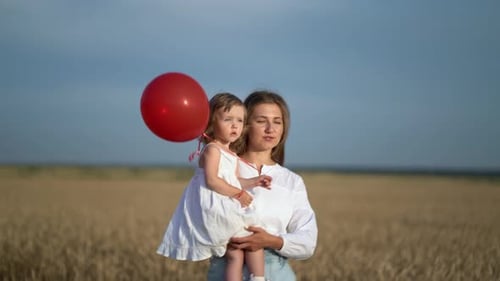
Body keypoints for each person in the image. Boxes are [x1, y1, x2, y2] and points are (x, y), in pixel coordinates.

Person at [156, 92, 272, 281]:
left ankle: (253, 278)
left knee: (237, 252)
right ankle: (258, 278)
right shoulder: (213, 150)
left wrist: (254, 181)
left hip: (226, 202)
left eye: (240, 120)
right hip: (216, 208)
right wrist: (239, 194)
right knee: (251, 241)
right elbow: (212, 180)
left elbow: (233, 180)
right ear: (211, 123)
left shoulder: (231, 153)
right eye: (228, 119)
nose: (235, 125)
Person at [207, 90, 318, 281]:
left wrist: (271, 240)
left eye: (277, 121)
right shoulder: (222, 168)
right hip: (225, 270)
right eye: (261, 121)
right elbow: (200, 214)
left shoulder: (292, 181)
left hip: (276, 272)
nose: (270, 129)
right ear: (244, 125)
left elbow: (308, 242)